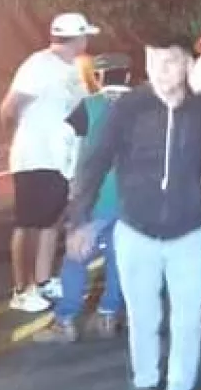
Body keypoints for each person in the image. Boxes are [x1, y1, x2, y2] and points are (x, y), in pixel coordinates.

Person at [67, 33, 201, 390]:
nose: (159, 71)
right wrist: (79, 220)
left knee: (189, 320)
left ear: (187, 65)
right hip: (137, 232)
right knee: (143, 319)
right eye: (152, 62)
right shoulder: (128, 109)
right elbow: (95, 162)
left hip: (190, 233)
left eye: (169, 62)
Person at [0, 13, 97, 312]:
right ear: (76, 37)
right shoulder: (39, 64)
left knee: (51, 220)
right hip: (35, 156)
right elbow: (9, 108)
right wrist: (22, 139)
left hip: (61, 159)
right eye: (85, 35)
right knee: (28, 222)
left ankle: (42, 281)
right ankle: (21, 289)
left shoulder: (75, 69)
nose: (87, 40)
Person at [35, 53, 132, 343]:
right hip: (133, 197)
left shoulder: (90, 106)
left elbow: (60, 139)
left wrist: (69, 172)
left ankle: (65, 320)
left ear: (99, 78)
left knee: (76, 256)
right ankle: (108, 315)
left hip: (96, 194)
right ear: (128, 76)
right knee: (119, 256)